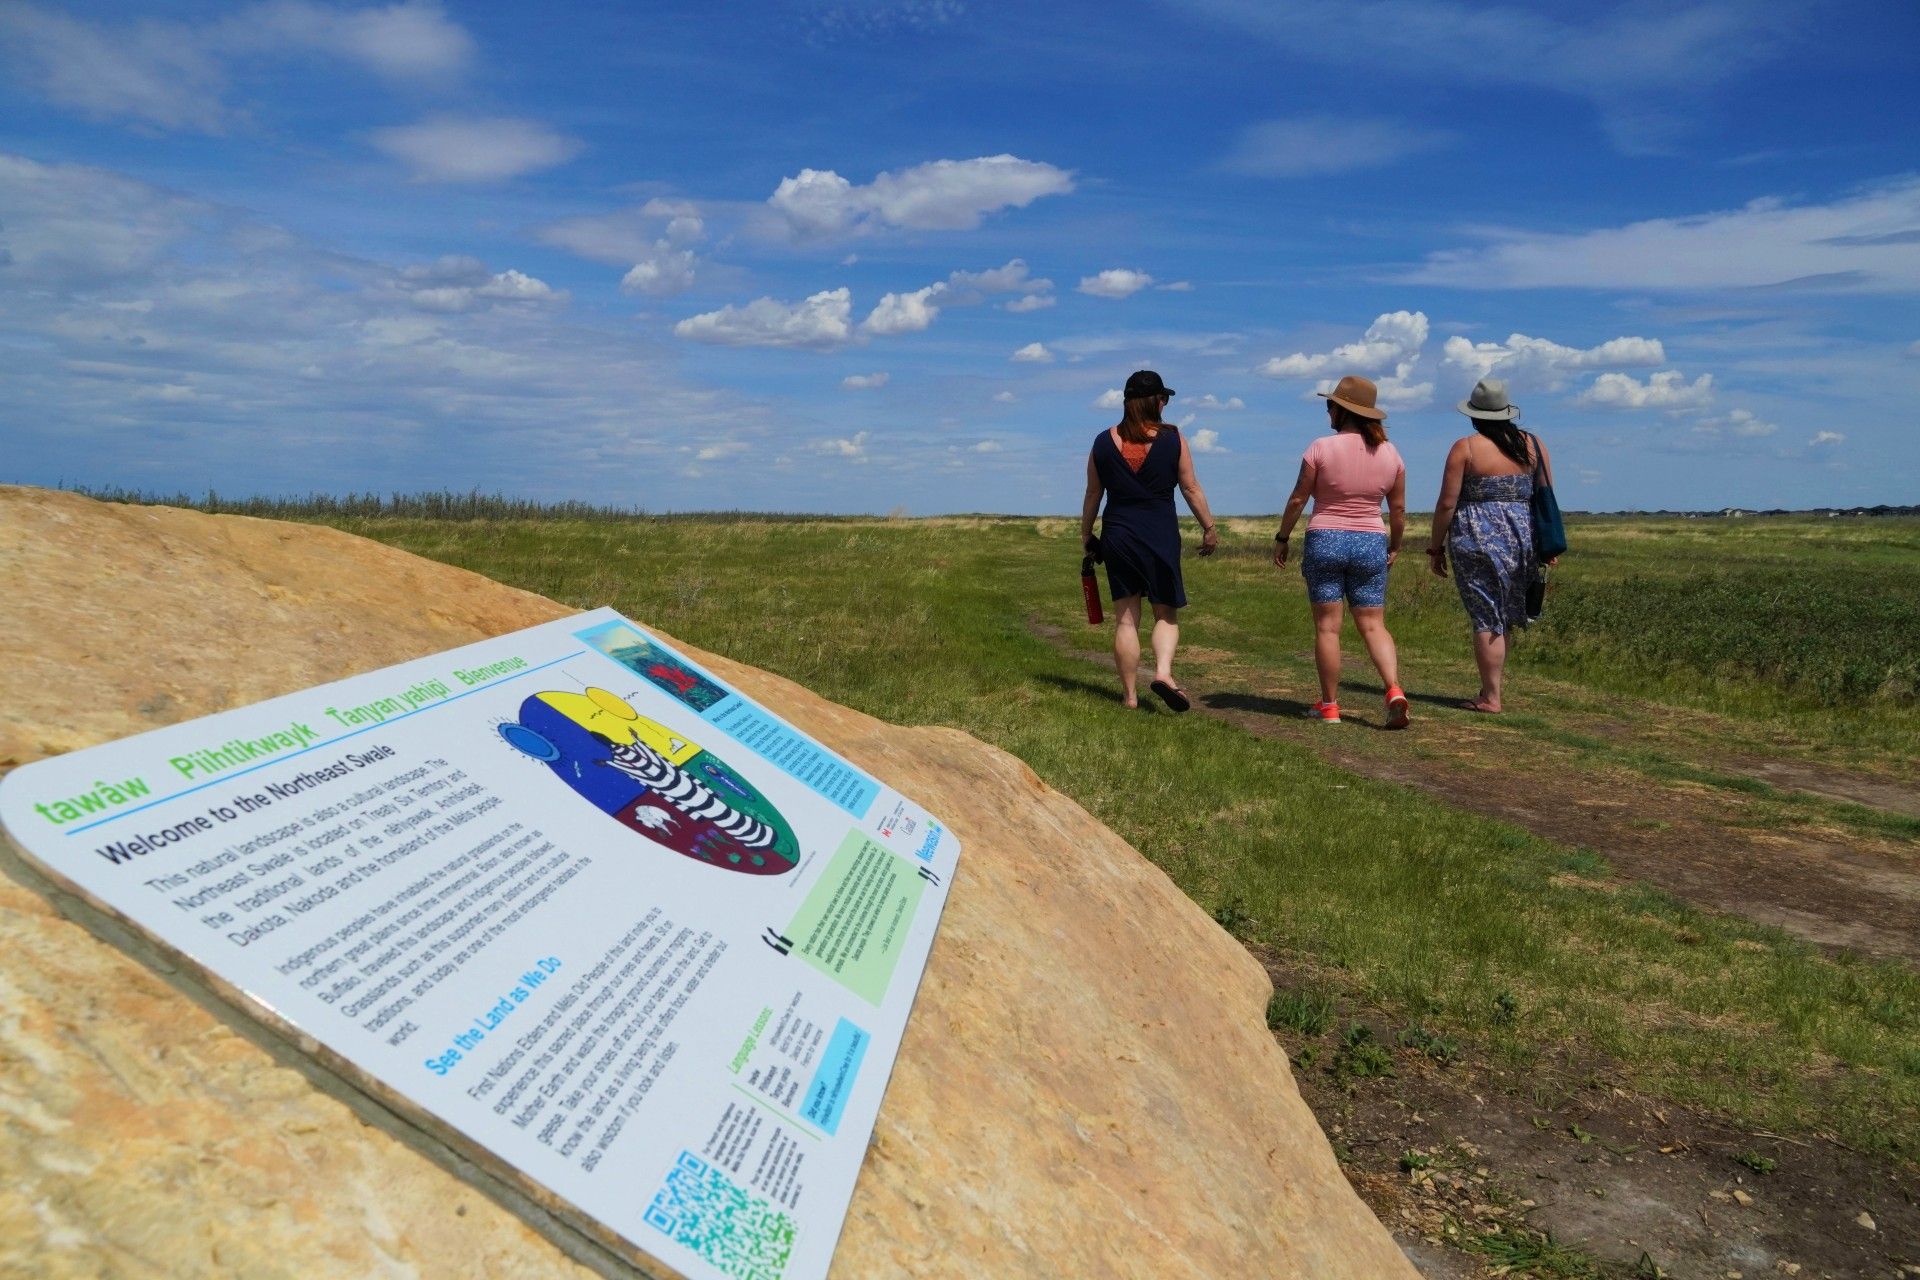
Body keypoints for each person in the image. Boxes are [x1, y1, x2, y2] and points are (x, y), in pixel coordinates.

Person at [1272, 375, 1410, 728]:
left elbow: (1299, 497)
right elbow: (1397, 510)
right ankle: (1393, 689)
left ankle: (1330, 705)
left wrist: (1283, 537)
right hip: (1370, 541)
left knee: (1328, 629)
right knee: (1374, 625)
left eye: (1330, 405)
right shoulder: (1391, 453)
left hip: (1326, 539)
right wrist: (1394, 544)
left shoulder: (1320, 447)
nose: (1327, 411)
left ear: (1342, 411)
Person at [1080, 369, 1220, 711]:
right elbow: (1190, 487)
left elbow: (1094, 492)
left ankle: (1129, 697)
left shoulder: (1101, 442)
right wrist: (1209, 527)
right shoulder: (1173, 439)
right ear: (1156, 401)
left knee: (1126, 619)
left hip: (1118, 533)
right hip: (1159, 532)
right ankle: (1163, 673)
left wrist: (1086, 533)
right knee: (1165, 613)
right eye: (1164, 398)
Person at [1426, 377, 1554, 713]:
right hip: (1523, 537)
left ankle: (1491, 697)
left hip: (1475, 538)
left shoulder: (1465, 448)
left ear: (1475, 414)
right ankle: (1490, 689)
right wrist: (1546, 545)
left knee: (1486, 615)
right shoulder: (1533, 445)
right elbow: (1546, 497)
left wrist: (1435, 546)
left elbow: (1446, 504)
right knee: (1506, 614)